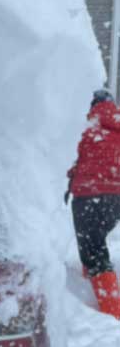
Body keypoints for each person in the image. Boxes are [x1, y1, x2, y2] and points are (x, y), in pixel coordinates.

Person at [66, 89, 120, 318]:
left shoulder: (87, 130)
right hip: (116, 198)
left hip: (88, 196)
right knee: (96, 242)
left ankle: (112, 311)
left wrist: (70, 181)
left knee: (93, 249)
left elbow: (75, 160)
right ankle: (91, 282)